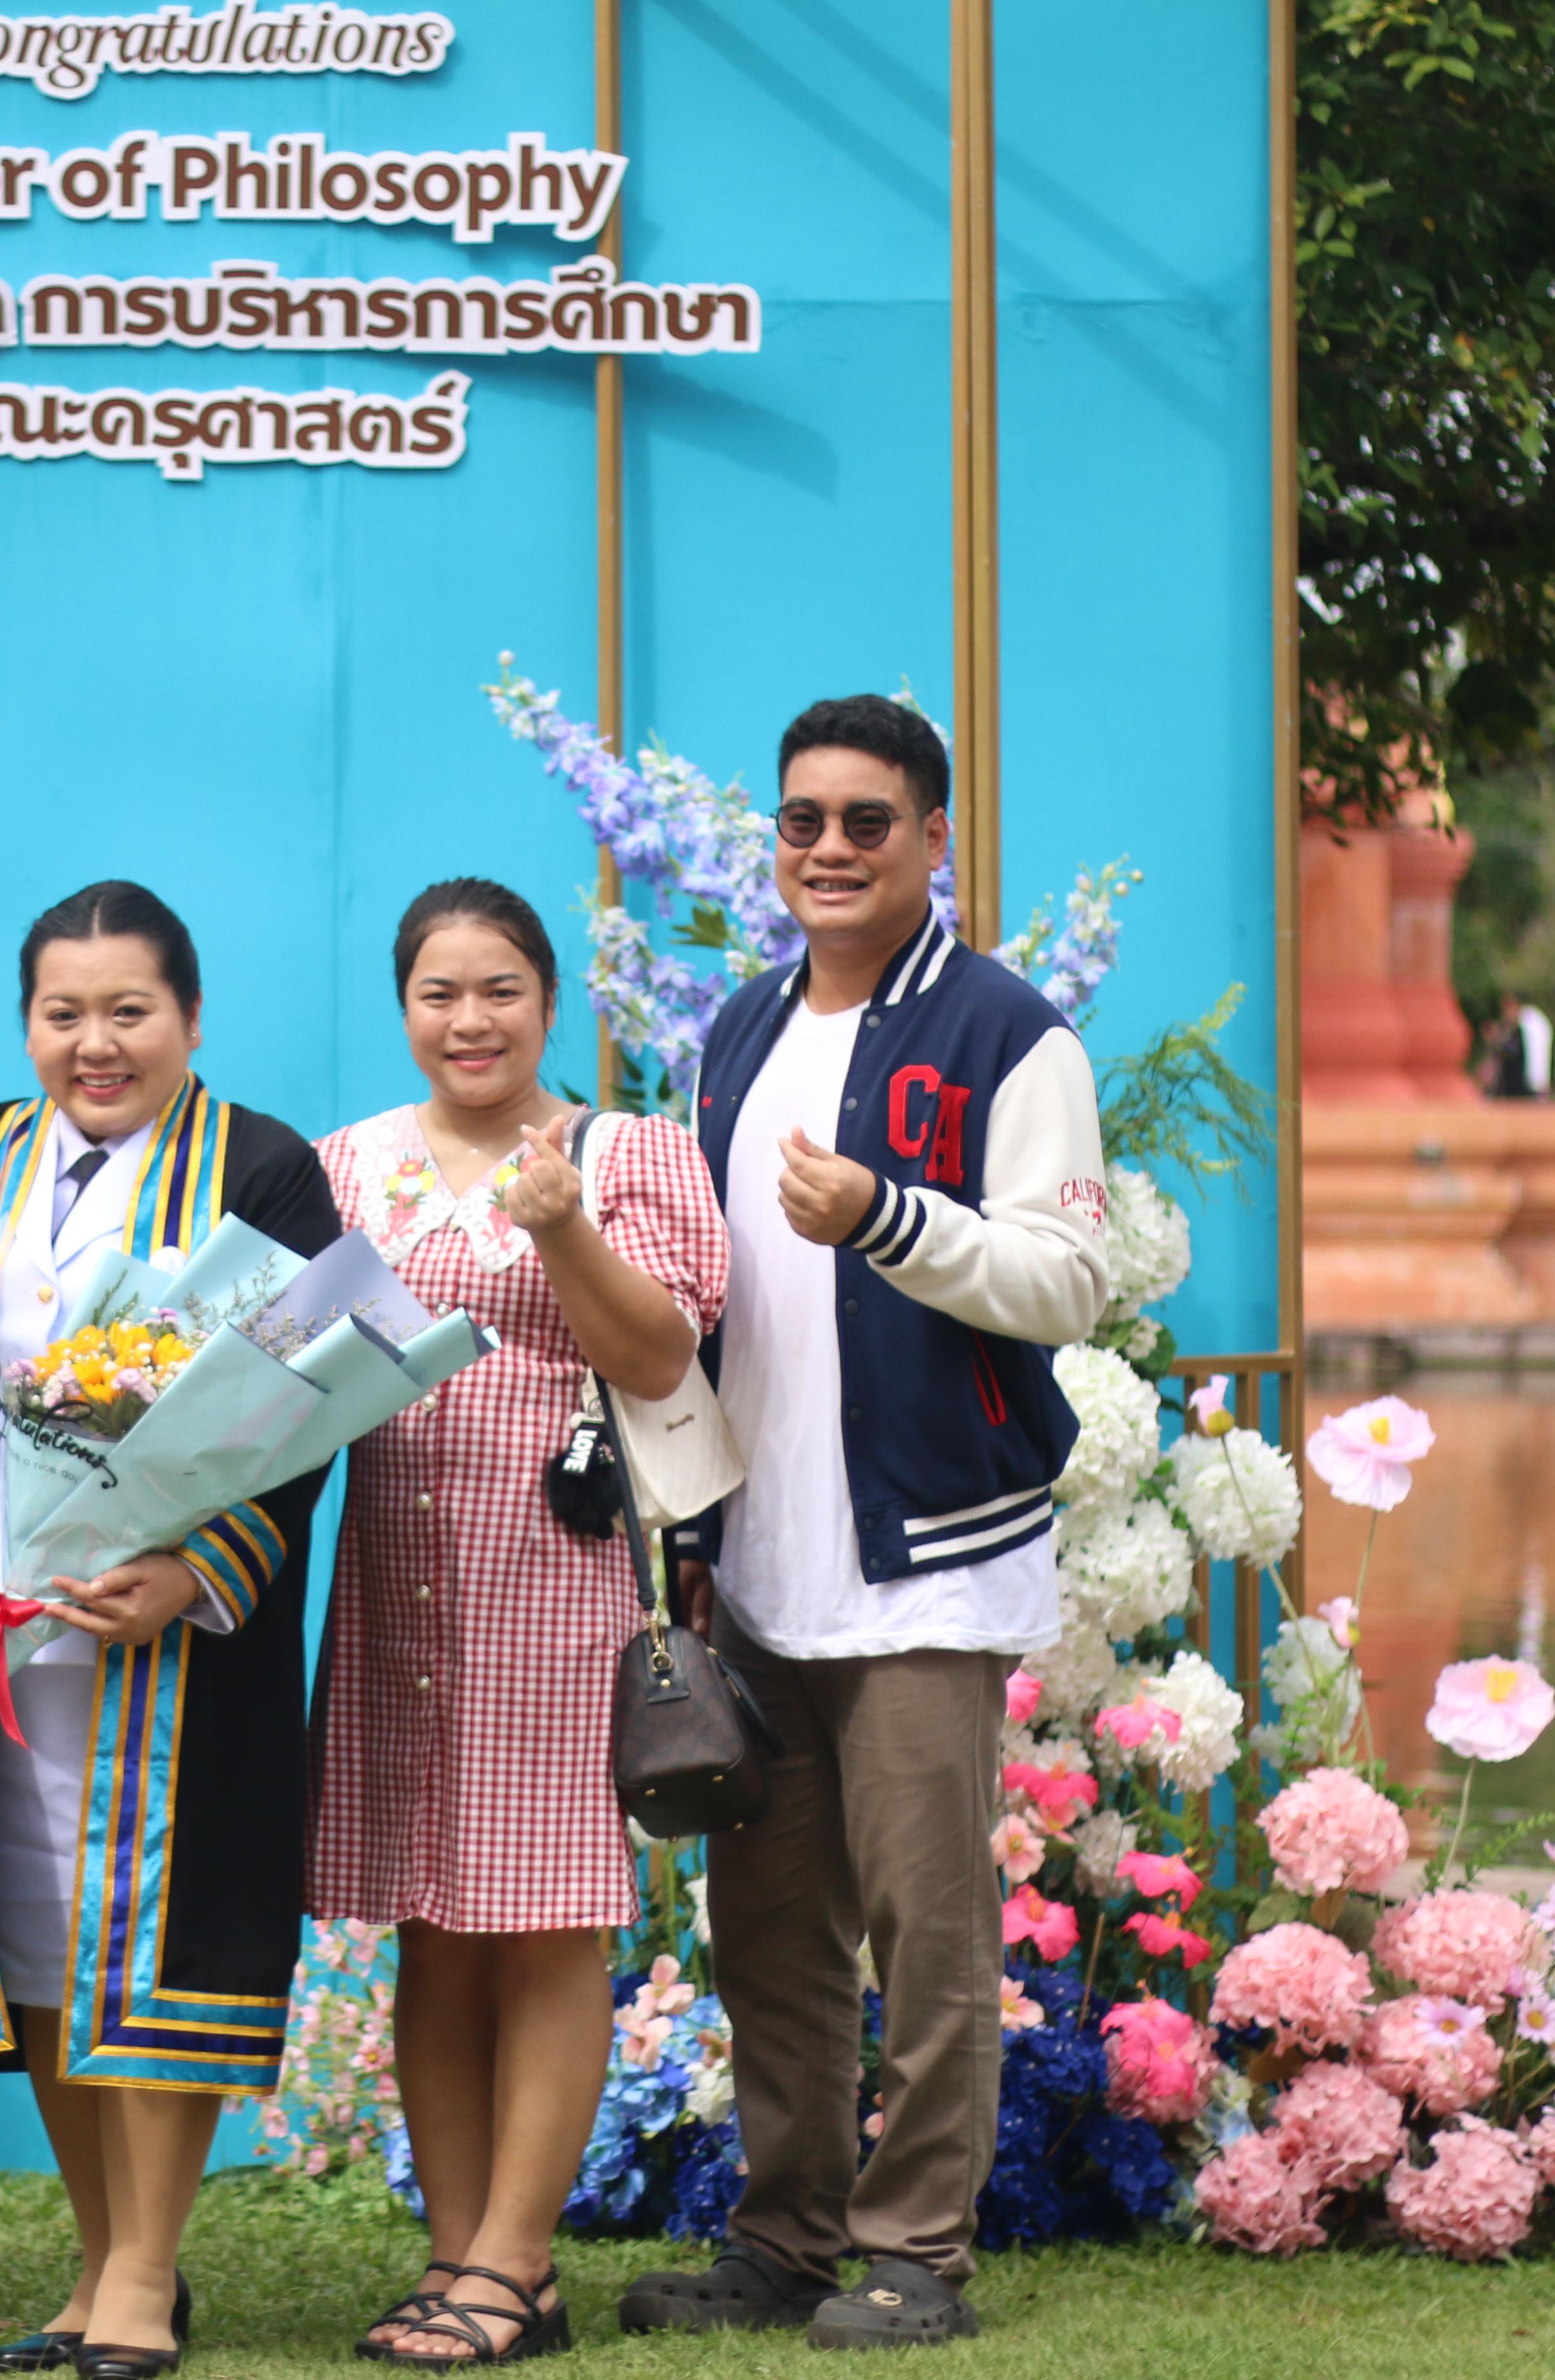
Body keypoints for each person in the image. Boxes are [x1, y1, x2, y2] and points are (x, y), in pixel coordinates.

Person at [618, 697, 1108, 2353]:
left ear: (935, 840)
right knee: (768, 1942)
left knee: (929, 1935)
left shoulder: (1008, 1035)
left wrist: (893, 1217)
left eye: (868, 822)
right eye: (804, 821)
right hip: (759, 1567)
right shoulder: (741, 1032)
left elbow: (1070, 1279)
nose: (830, 849)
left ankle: (917, 2258)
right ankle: (783, 2244)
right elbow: (709, 1294)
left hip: (928, 1564)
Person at [0, 883, 340, 2380]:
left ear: (189, 1018)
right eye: (64, 1014)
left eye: (130, 1013)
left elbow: (305, 1421)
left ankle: (147, 2275)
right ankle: (103, 2260)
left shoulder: (263, 1171)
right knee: (40, 1938)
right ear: (27, 1022)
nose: (94, 1044)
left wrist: (198, 1572)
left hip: (167, 1638)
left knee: (150, 1931)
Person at [309, 880, 729, 2366]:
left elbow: (664, 1355)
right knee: (433, 1925)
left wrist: (562, 1234)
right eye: (439, 992)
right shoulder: (347, 1167)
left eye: (499, 990)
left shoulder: (625, 1156)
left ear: (549, 1003)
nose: (468, 1020)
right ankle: (461, 2260)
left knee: (548, 1923)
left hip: (557, 1589)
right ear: (404, 1006)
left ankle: (515, 2257)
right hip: (396, 1583)